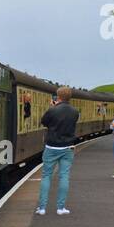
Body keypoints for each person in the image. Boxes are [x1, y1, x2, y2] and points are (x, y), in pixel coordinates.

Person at [36, 86, 79, 215]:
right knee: (64, 176)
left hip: (51, 147)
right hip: (67, 148)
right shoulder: (75, 111)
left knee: (46, 176)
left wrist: (53, 107)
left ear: (58, 97)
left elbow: (44, 122)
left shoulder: (53, 110)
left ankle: (42, 208)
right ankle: (61, 208)